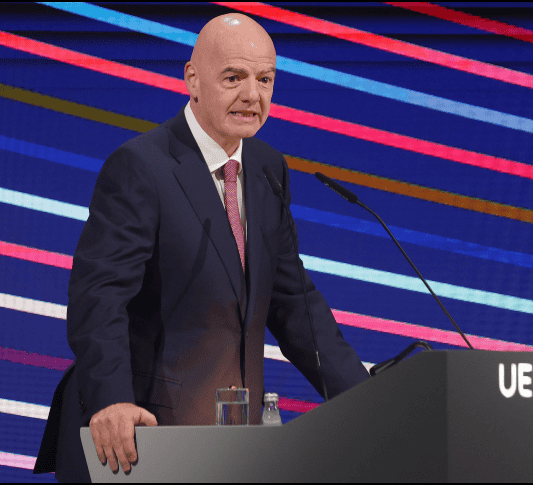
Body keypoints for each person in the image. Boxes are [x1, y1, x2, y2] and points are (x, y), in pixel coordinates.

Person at [33, 13, 370, 482]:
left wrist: (366, 400)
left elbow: (294, 303)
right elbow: (100, 297)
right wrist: (112, 399)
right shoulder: (141, 167)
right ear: (192, 78)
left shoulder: (269, 168)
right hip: (144, 437)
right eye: (233, 77)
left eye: (265, 79)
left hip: (233, 441)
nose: (252, 95)